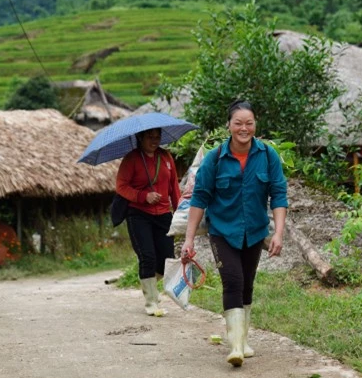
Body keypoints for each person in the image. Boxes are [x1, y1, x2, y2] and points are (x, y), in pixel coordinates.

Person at [180, 100, 288, 367]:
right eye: (238, 123)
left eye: (249, 123)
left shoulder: (268, 156)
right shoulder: (215, 159)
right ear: (228, 126)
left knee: (247, 284)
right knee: (233, 281)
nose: (244, 128)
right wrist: (189, 239)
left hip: (254, 231)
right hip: (222, 231)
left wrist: (278, 234)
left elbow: (279, 195)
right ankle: (236, 346)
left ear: (255, 125)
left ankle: (243, 338)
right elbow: (199, 199)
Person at [116, 128, 181, 316]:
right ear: (140, 138)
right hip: (138, 214)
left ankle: (149, 283)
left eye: (157, 137)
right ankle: (151, 301)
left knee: (166, 260)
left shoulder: (166, 157)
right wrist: (143, 196)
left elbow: (173, 188)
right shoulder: (132, 159)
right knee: (148, 256)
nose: (154, 141)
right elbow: (121, 186)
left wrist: (179, 214)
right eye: (150, 137)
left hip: (163, 214)